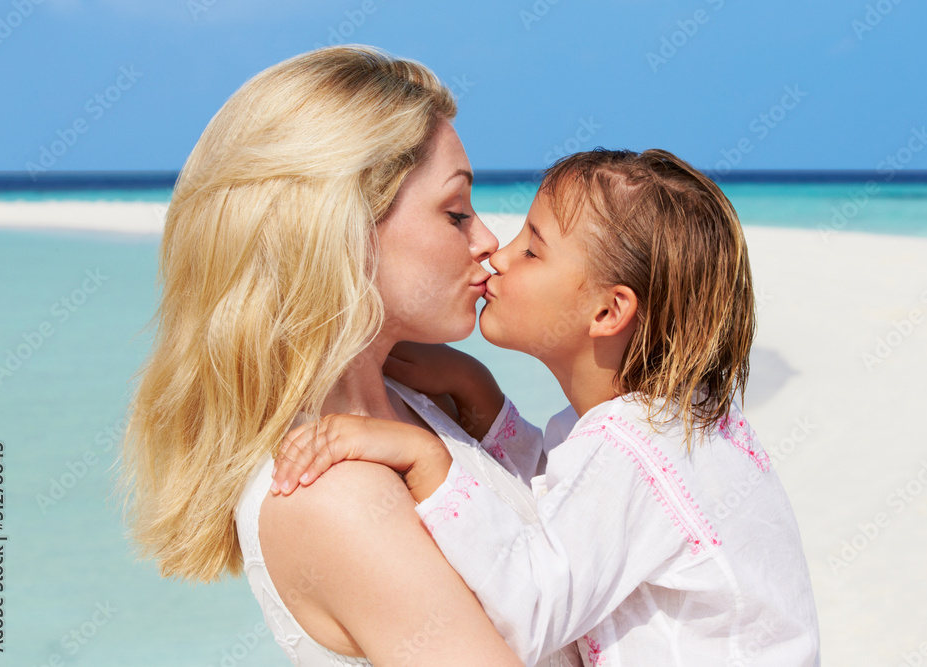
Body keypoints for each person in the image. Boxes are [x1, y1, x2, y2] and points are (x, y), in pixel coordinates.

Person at [120, 46, 583, 666]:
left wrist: (481, 398)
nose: (487, 240)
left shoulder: (418, 403)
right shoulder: (333, 493)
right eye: (455, 213)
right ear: (343, 228)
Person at [272, 149, 822, 665]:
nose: (498, 255)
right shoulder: (675, 424)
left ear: (608, 312)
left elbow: (531, 609)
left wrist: (429, 460)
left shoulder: (634, 452)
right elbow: (570, 513)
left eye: (532, 251)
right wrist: (480, 395)